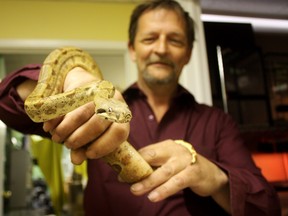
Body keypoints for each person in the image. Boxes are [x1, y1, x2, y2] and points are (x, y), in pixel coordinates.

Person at [0, 0, 281, 215]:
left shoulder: (218, 122)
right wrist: (69, 79)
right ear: (132, 49)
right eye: (150, 38)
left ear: (188, 54)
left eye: (174, 39)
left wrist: (215, 176)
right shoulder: (95, 104)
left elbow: (268, 206)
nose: (160, 48)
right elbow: (7, 103)